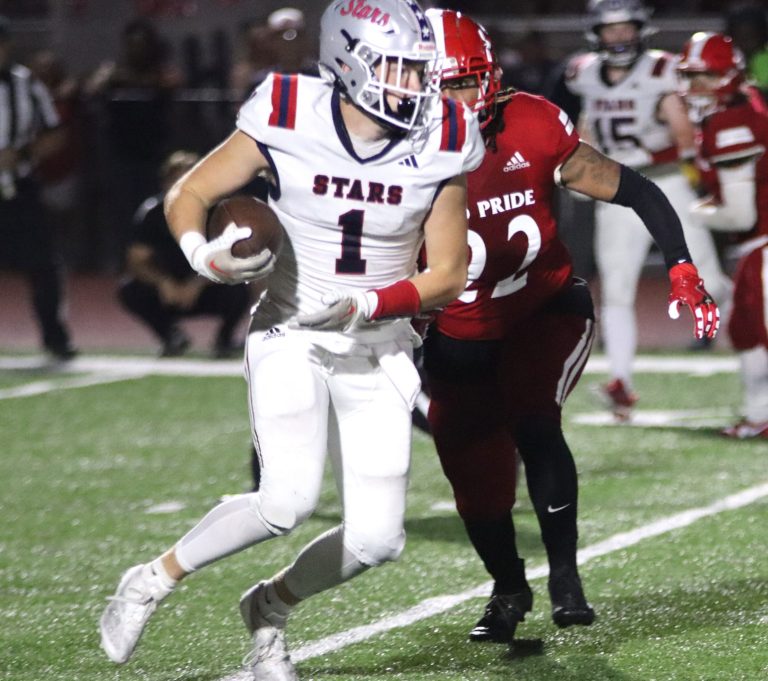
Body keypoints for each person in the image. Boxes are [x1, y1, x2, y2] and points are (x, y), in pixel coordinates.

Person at [98, 2, 484, 680]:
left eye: (420, 70)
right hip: (292, 329)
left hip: (378, 342)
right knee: (286, 501)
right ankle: (151, 579)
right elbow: (190, 192)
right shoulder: (286, 107)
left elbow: (448, 273)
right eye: (399, 68)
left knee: (377, 541)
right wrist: (201, 254)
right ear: (349, 60)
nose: (415, 85)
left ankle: (269, 609)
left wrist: (369, 302)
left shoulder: (447, 132)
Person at [423, 8, 720, 643]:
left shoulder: (531, 120)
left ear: (491, 78)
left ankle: (565, 576)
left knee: (534, 419)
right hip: (458, 330)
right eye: (444, 86)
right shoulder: (391, 152)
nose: (459, 99)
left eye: (468, 82)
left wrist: (681, 264)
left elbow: (636, 187)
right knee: (476, 484)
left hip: (543, 309)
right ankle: (508, 588)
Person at [564, 0, 733, 420]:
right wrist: (584, 165)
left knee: (708, 280)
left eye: (626, 28)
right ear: (596, 34)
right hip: (617, 191)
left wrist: (637, 156)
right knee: (616, 291)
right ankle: (620, 382)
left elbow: (686, 139)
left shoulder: (661, 71)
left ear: (640, 29)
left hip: (667, 183)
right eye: (611, 29)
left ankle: (749, 328)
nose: (619, 36)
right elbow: (586, 126)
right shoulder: (584, 73)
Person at [677, 31, 768, 439]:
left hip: (761, 241)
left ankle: (760, 415)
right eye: (690, 76)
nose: (697, 87)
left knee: (755, 330)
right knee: (746, 328)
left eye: (708, 77)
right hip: (756, 245)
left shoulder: (732, 124)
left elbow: (739, 215)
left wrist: (691, 214)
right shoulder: (739, 108)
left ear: (730, 76)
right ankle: (759, 415)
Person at [117, 150, 250, 358]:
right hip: (167, 291)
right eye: (176, 180)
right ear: (165, 184)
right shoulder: (152, 214)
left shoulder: (221, 212)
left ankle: (225, 339)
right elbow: (137, 260)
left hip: (209, 286)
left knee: (243, 285)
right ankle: (170, 336)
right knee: (130, 290)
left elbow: (234, 256)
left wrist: (198, 283)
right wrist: (163, 281)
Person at [0, 16, 77, 361]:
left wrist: (22, 154)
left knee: (43, 265)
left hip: (19, 187)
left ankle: (54, 336)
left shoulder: (26, 83)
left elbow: (56, 133)